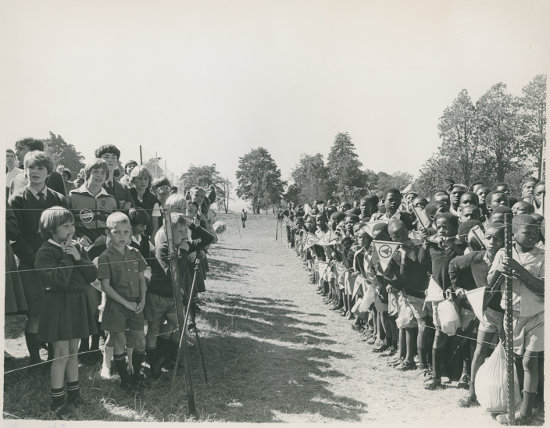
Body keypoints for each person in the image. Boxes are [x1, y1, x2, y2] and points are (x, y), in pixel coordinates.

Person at [35, 207, 98, 419]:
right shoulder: (46, 251)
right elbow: (60, 280)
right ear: (51, 229)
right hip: (58, 306)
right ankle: (57, 401)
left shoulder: (76, 247)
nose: (71, 229)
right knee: (60, 354)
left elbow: (91, 274)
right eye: (65, 226)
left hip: (76, 304)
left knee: (74, 351)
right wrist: (68, 257)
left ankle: (74, 393)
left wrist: (78, 256)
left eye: (72, 224)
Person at [9, 151, 67, 364]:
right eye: (31, 167)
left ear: (48, 172)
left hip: (55, 264)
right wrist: (35, 260)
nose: (34, 172)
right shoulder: (16, 199)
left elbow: (67, 232)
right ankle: (35, 360)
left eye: (40, 168)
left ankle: (53, 356)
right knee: (36, 311)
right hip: (29, 263)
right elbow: (15, 237)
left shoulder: (58, 199)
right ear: (25, 169)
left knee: (54, 310)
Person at [488, 215, 544, 425]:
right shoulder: (503, 253)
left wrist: (519, 270)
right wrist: (501, 271)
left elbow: (542, 287)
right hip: (512, 316)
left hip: (538, 316)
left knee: (531, 360)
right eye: (527, 232)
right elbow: (490, 283)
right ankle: (524, 403)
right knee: (518, 361)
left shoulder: (543, 256)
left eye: (535, 232)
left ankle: (526, 413)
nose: (532, 236)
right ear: (513, 234)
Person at [145, 212, 213, 377]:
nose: (184, 235)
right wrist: (182, 253)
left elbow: (207, 239)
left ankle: (163, 358)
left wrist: (191, 225)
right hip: (158, 296)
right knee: (154, 329)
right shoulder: (163, 248)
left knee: (177, 325)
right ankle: (153, 364)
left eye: (185, 231)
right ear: (169, 233)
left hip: (174, 296)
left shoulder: (186, 244)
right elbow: (171, 274)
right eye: (180, 232)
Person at [449, 222, 505, 408]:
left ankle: (506, 394)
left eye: (498, 238)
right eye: (488, 237)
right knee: (479, 351)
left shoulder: (508, 259)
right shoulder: (475, 258)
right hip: (487, 312)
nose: (492, 241)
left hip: (508, 314)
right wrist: (457, 288)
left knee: (507, 353)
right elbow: (453, 264)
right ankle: (472, 392)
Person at [69, 159, 117, 362]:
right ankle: (82, 345)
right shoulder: (73, 196)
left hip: (102, 252)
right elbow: (68, 221)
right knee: (84, 297)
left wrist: (105, 236)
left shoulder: (111, 199)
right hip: (80, 251)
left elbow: (113, 225)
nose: (99, 176)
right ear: (87, 173)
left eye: (102, 173)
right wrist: (78, 236)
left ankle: (94, 346)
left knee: (98, 297)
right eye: (95, 172)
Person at [98, 212, 148, 391]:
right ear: (108, 233)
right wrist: (126, 303)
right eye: (117, 232)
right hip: (116, 306)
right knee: (118, 340)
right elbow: (106, 286)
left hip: (136, 305)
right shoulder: (105, 257)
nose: (122, 236)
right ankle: (125, 380)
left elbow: (142, 279)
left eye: (126, 232)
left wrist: (142, 299)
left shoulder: (135, 253)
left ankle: (135, 374)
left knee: (140, 340)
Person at [419, 212, 466, 389]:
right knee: (440, 334)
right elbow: (422, 263)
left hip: (458, 295)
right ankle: (437, 375)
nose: (441, 230)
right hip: (439, 296)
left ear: (455, 227)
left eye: (445, 227)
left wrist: (450, 244)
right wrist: (425, 244)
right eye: (438, 227)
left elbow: (463, 258)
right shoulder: (432, 246)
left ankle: (463, 374)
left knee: (461, 335)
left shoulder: (460, 246)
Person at [95, 144, 133, 211]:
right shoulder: (92, 185)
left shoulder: (123, 188)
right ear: (98, 160)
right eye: (106, 157)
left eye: (113, 157)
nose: (110, 160)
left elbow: (131, 209)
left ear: (117, 162)